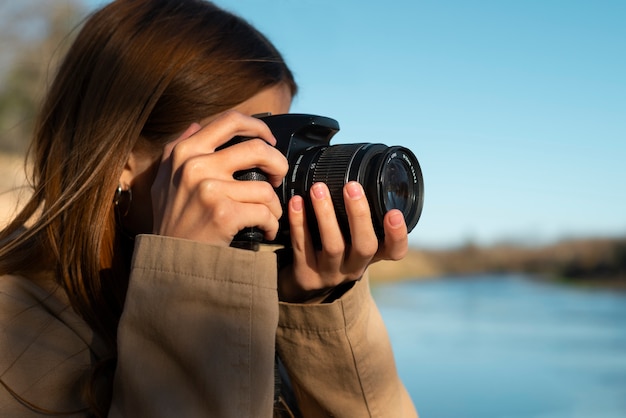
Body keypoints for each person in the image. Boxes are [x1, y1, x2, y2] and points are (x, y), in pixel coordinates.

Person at [0, 0, 418, 417]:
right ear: (124, 161)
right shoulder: (15, 330)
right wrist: (189, 278)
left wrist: (320, 309)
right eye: (247, 144)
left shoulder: (254, 308)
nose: (277, 171)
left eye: (281, 146)